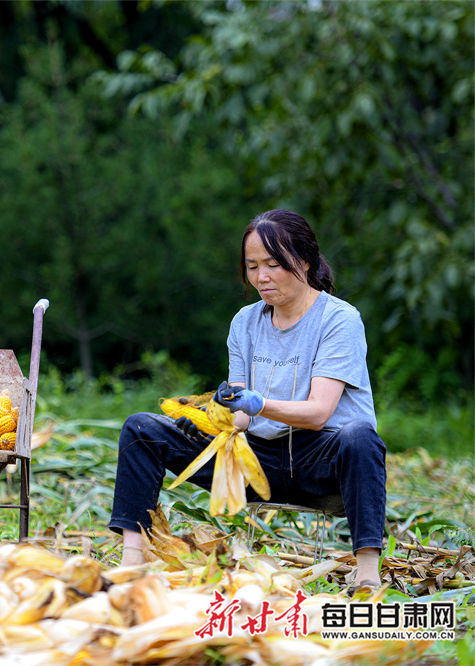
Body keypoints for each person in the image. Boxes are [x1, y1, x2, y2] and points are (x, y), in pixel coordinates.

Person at [109, 209, 386, 594]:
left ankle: (367, 568)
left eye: (273, 264)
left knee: (360, 436)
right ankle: (132, 559)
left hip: (320, 465)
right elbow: (241, 416)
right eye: (253, 266)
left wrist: (258, 404)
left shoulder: (339, 320)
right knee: (142, 428)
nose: (262, 277)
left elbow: (319, 413)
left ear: (305, 261)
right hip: (256, 460)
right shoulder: (245, 322)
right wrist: (214, 422)